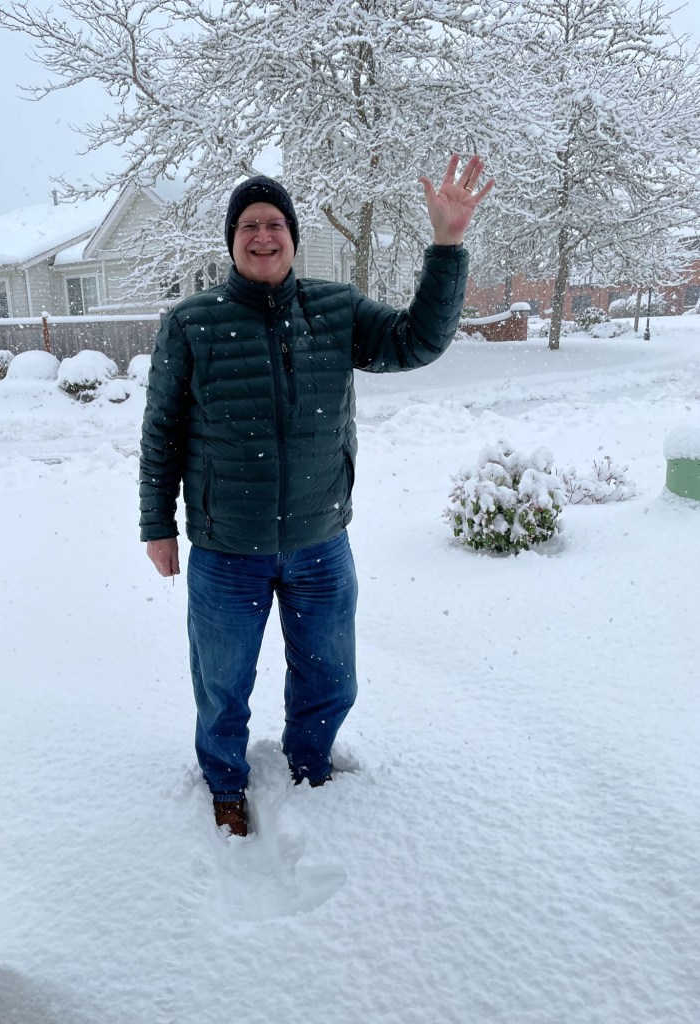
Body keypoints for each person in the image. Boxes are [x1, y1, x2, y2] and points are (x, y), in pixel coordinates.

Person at [140, 154, 493, 836]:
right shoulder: (191, 323)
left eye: (274, 223)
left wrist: (447, 244)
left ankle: (310, 767)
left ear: (293, 237)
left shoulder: (335, 310)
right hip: (225, 546)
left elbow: (416, 342)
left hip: (319, 542)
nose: (262, 235)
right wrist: (157, 526)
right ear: (231, 240)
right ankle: (224, 784)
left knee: (331, 680)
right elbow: (161, 432)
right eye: (248, 225)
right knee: (222, 688)